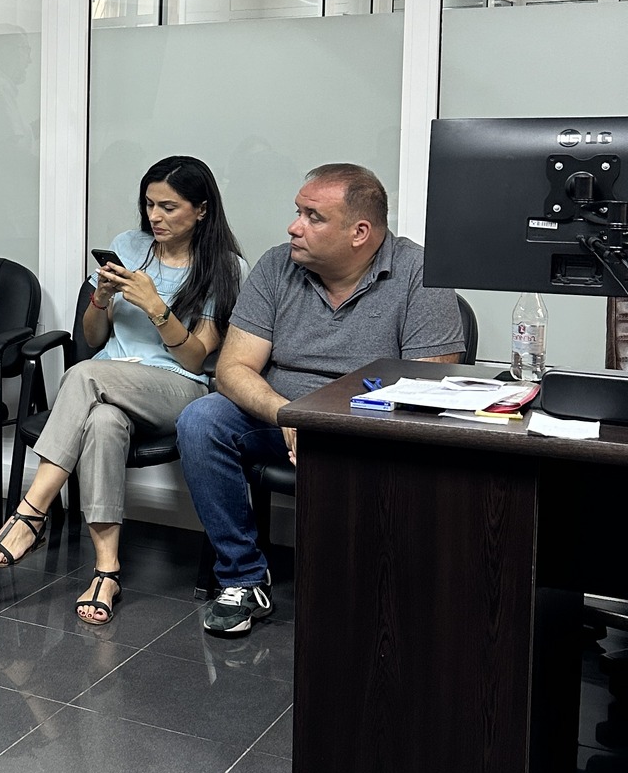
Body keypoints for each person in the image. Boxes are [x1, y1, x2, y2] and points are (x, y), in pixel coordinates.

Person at [177, 161, 463, 639]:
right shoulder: (276, 265)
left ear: (359, 232)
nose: (294, 227)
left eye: (313, 217)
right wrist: (287, 416)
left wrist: (327, 423)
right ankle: (243, 577)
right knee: (201, 420)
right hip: (280, 416)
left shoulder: (420, 273)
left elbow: (424, 389)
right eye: (298, 212)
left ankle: (375, 587)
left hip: (366, 423)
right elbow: (233, 369)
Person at [0, 156, 243, 625]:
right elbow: (94, 337)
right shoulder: (128, 245)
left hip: (177, 388)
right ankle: (107, 572)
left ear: (201, 209)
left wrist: (157, 308)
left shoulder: (225, 267)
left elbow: (196, 358)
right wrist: (101, 298)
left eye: (169, 207)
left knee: (83, 376)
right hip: (108, 382)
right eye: (149, 205)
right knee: (102, 421)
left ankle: (30, 514)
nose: (155, 216)